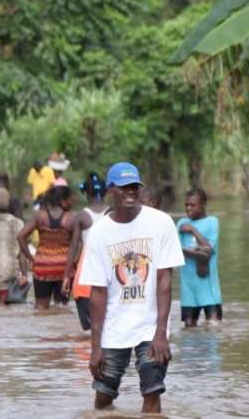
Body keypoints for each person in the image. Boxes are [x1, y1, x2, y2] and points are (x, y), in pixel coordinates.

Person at [80, 162, 184, 414]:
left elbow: (164, 281)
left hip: (150, 327)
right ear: (110, 190)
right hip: (114, 328)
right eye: (124, 187)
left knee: (152, 392)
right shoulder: (99, 233)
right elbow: (97, 293)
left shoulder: (161, 223)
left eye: (134, 187)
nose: (130, 191)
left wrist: (161, 333)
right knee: (103, 399)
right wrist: (95, 347)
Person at [65, 172, 110, 330]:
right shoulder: (113, 214)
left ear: (86, 194)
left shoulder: (81, 216)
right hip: (109, 279)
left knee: (90, 331)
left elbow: (73, 247)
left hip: (85, 280)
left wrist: (66, 276)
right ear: (106, 192)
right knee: (109, 328)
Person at [18, 184, 75, 308]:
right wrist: (74, 265)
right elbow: (76, 246)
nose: (73, 201)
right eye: (71, 199)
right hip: (63, 268)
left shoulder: (40, 216)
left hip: (42, 267)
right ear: (62, 201)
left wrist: (31, 259)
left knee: (40, 307)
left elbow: (21, 237)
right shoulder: (71, 219)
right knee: (62, 308)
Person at [176, 188, 222, 327]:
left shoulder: (212, 222)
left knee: (214, 327)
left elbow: (209, 248)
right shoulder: (181, 223)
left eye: (193, 205)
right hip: (188, 290)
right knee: (188, 329)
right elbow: (176, 250)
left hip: (209, 289)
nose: (188, 208)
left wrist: (193, 230)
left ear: (203, 204)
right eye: (186, 205)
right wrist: (199, 252)